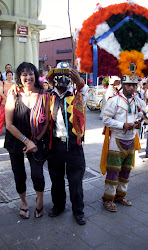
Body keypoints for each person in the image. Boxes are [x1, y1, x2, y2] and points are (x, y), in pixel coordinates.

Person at [4, 62, 49, 219]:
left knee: (38, 174)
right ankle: (24, 203)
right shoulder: (13, 94)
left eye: (31, 73)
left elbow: (47, 122)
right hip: (16, 140)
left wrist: (35, 140)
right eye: (24, 74)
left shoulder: (43, 94)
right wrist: (26, 141)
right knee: (19, 174)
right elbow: (8, 125)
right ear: (19, 77)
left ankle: (40, 202)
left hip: (36, 140)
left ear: (35, 75)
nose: (28, 77)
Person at [47, 63, 89, 225]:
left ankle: (78, 211)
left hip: (74, 146)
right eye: (59, 75)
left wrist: (80, 83)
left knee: (76, 181)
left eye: (67, 75)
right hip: (55, 146)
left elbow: (88, 96)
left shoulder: (78, 95)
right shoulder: (48, 96)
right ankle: (58, 206)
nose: (63, 79)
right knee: (56, 180)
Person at [100, 74, 146, 212]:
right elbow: (105, 120)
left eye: (134, 85)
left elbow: (141, 116)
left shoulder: (138, 101)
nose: (131, 88)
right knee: (113, 172)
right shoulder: (114, 101)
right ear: (123, 85)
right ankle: (108, 199)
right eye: (128, 85)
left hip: (131, 140)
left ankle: (120, 196)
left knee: (126, 171)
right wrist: (122, 125)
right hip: (116, 140)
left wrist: (139, 124)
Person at [0, 71, 14, 137]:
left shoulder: (14, 84)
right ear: (6, 76)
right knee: (1, 118)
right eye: (8, 75)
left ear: (12, 76)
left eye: (10, 75)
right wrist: (7, 99)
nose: (9, 76)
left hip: (12, 104)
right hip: (4, 103)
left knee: (12, 118)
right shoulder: (2, 83)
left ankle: (11, 131)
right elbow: (0, 92)